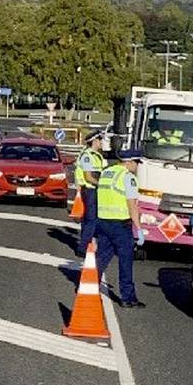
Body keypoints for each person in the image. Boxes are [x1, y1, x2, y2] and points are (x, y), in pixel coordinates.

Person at [95, 149, 145, 308]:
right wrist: (139, 228)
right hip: (120, 225)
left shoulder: (107, 173)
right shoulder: (128, 178)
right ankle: (128, 298)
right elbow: (132, 206)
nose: (137, 167)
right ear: (129, 162)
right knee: (125, 261)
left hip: (103, 221)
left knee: (101, 258)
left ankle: (89, 285)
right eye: (136, 163)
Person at [74, 130, 107, 256]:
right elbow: (88, 177)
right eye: (100, 140)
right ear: (94, 141)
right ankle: (83, 248)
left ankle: (85, 245)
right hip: (89, 189)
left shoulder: (96, 155)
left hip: (92, 190)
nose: (101, 143)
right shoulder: (87, 156)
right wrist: (102, 185)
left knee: (88, 220)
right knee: (91, 221)